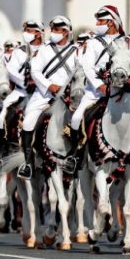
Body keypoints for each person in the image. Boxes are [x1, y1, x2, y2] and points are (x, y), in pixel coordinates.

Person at [64, 5, 130, 174]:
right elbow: (88, 66)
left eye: (101, 21)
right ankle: (75, 155)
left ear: (111, 22)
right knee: (77, 118)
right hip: (96, 92)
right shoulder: (93, 43)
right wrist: (99, 85)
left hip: (128, 92)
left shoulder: (129, 42)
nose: (97, 24)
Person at [18, 15, 78, 179]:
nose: (54, 32)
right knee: (29, 122)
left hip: (68, 97)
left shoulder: (76, 51)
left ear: (66, 32)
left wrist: (68, 90)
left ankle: (75, 156)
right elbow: (35, 71)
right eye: (53, 29)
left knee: (81, 120)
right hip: (44, 95)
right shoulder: (45, 49)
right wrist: (49, 86)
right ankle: (28, 163)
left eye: (58, 30)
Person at [0, 20, 44, 153]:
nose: (26, 33)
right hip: (21, 91)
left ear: (38, 33)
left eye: (29, 30)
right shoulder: (19, 51)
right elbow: (11, 70)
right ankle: (3, 149)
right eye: (26, 30)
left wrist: (39, 83)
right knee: (2, 115)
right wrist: (25, 82)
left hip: (42, 93)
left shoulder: (48, 50)